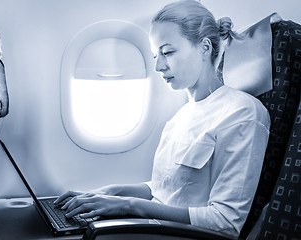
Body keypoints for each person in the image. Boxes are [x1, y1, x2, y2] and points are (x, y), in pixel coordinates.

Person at [54, 0, 270, 237]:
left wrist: (130, 206)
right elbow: (166, 191)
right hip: (154, 229)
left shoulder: (242, 113)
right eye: (156, 55)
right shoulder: (181, 116)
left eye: (167, 52)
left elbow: (225, 222)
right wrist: (112, 192)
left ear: (204, 47)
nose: (157, 66)